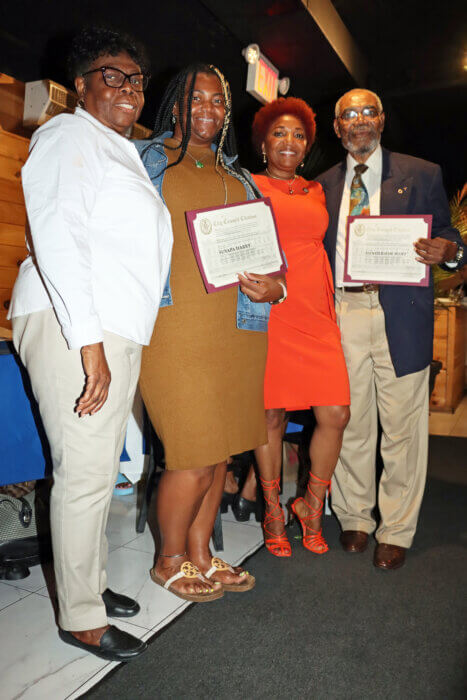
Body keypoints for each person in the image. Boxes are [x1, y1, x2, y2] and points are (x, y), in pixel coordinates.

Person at [8, 27, 173, 659]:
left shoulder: (116, 149)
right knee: (82, 473)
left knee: (100, 471)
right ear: (80, 85)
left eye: (136, 80)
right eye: (113, 75)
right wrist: (89, 343)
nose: (129, 89)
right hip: (75, 322)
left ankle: (92, 588)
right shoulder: (68, 135)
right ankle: (80, 615)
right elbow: (59, 236)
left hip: (108, 325)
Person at [135, 64, 284, 599]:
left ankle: (200, 554)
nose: (208, 108)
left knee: (220, 453)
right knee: (193, 453)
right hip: (174, 328)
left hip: (238, 329)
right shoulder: (147, 161)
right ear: (176, 103)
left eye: (218, 100)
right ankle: (168, 559)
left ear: (227, 111)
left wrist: (276, 288)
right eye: (196, 98)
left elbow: (272, 261)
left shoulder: (239, 177)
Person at [316, 88, 465, 570]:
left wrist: (451, 253)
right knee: (350, 421)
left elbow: (450, 235)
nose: (358, 121)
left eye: (367, 112)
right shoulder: (321, 185)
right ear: (337, 127)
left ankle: (396, 528)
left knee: (402, 428)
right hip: (344, 311)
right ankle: (355, 517)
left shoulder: (423, 174)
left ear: (381, 120)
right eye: (348, 115)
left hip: (402, 311)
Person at [249, 97, 350, 557]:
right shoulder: (248, 184)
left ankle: (310, 503)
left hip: (315, 308)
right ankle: (272, 509)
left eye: (298, 135)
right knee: (271, 415)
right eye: (278, 133)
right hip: (271, 309)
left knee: (335, 413)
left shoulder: (317, 190)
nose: (289, 141)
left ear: (307, 146)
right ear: (263, 142)